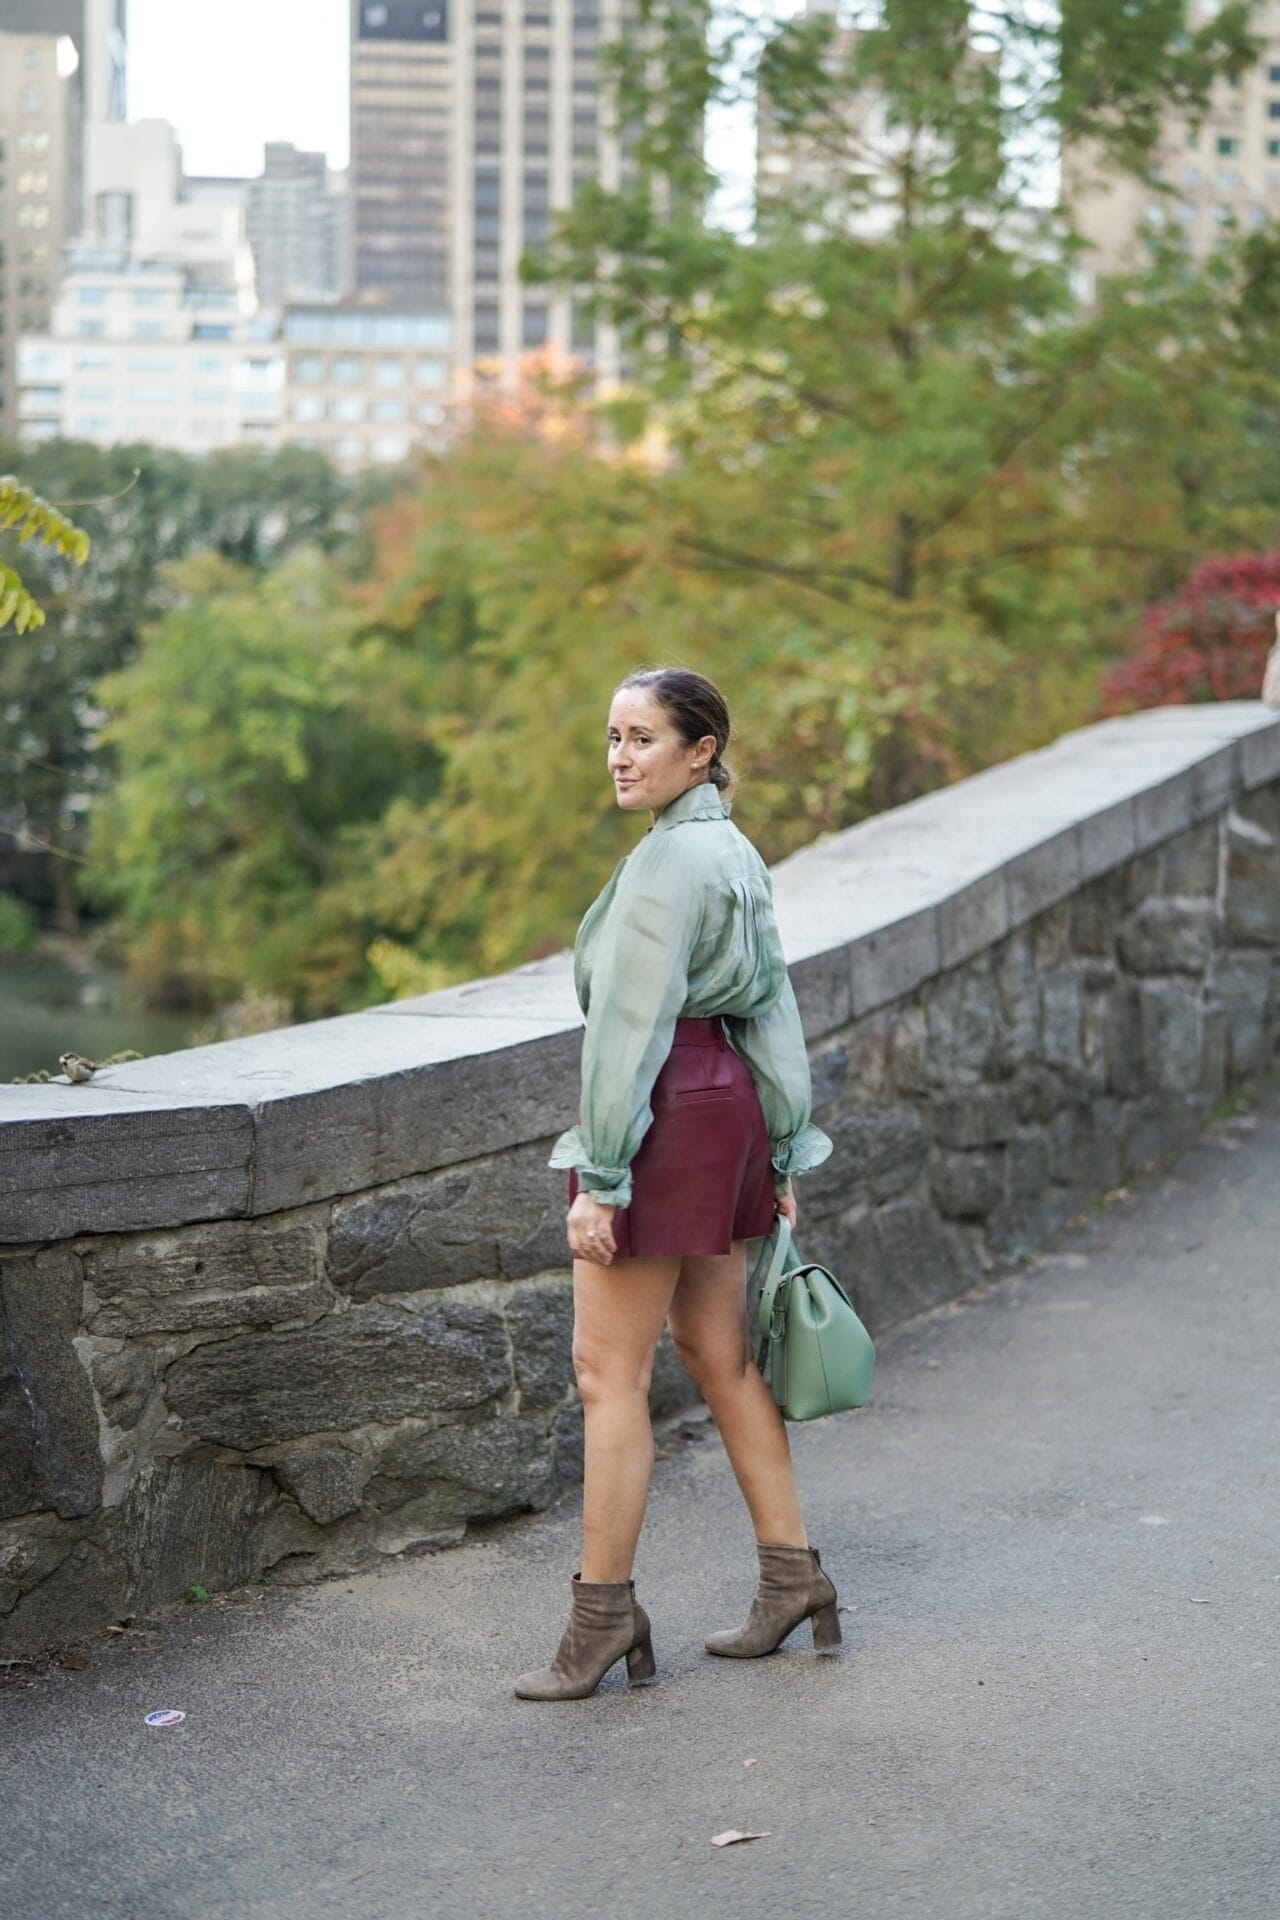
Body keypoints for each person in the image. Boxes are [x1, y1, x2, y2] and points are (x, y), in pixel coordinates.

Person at [514, 666, 837, 1702]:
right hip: (729, 1108)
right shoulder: (731, 851)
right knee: (716, 1351)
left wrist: (599, 1177)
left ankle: (600, 1618)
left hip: (664, 1113)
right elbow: (771, 1013)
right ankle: (794, 1579)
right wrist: (782, 1145)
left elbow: (628, 1031)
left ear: (700, 750)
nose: (618, 755)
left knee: (605, 1373)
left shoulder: (666, 867)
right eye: (611, 736)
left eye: (642, 737)